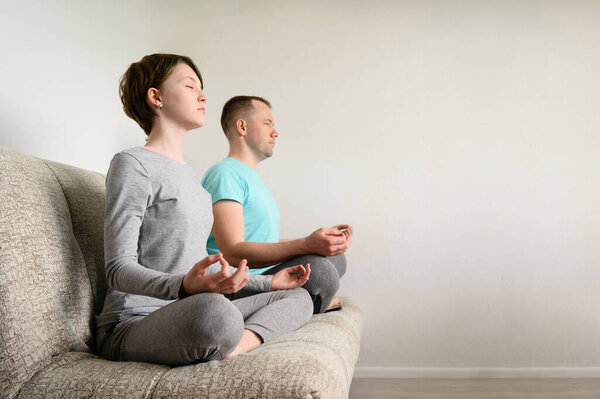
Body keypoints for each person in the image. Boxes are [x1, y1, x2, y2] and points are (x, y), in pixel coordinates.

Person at [95, 54, 314, 366]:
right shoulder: (132, 165)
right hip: (133, 323)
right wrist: (183, 286)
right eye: (190, 86)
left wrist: (269, 283)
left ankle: (232, 348)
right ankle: (221, 335)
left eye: (202, 88)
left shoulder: (191, 178)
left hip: (190, 311)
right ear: (156, 97)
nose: (203, 95)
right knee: (215, 311)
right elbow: (117, 270)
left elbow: (204, 267)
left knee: (297, 297)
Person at [201, 96, 353, 314]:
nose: (275, 132)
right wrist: (306, 245)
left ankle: (303, 303)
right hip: (238, 284)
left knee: (334, 258)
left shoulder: (249, 178)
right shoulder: (224, 174)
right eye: (267, 123)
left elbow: (264, 242)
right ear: (242, 126)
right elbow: (233, 252)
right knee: (321, 273)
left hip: (268, 275)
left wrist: (319, 242)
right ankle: (303, 305)